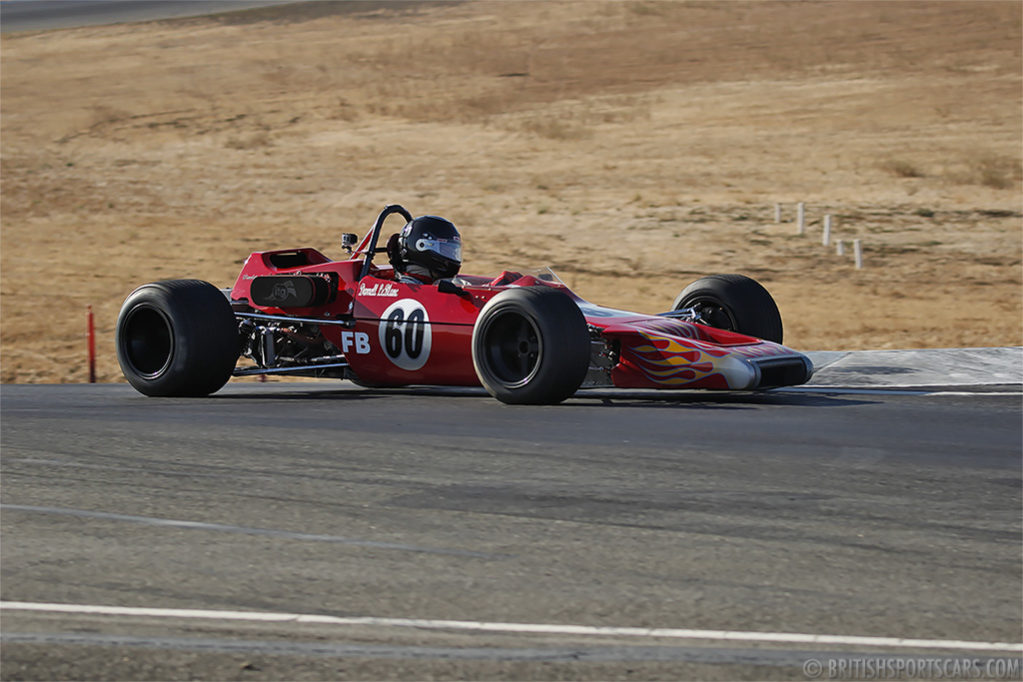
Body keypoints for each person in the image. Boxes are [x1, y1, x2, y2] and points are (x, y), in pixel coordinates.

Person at [388, 215, 462, 284]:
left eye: (453, 250)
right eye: (446, 250)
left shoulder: (434, 282)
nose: (452, 254)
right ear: (422, 246)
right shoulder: (408, 286)